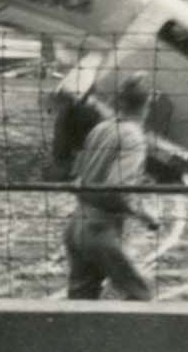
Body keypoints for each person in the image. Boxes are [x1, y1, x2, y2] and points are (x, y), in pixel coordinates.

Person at [63, 73, 160, 301]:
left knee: (81, 299)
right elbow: (117, 189)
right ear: (148, 104)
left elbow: (76, 179)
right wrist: (144, 214)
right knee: (142, 294)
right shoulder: (134, 137)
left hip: (77, 225)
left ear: (120, 100)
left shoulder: (101, 128)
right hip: (101, 229)